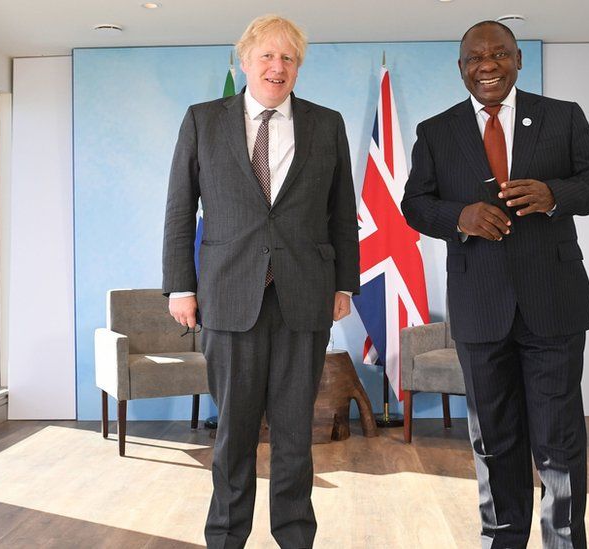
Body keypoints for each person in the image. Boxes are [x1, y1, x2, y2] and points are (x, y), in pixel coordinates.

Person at [401, 20, 589, 549]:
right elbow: (414, 204)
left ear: (518, 60)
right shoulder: (436, 131)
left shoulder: (562, 117)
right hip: (480, 307)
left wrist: (553, 194)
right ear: (461, 68)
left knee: (559, 440)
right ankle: (502, 540)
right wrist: (461, 216)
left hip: (554, 303)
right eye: (476, 57)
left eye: (500, 54)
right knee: (494, 440)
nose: (488, 65)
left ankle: (565, 542)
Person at [161, 14, 359, 549]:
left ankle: (295, 537)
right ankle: (226, 537)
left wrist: (344, 284)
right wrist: (181, 286)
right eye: (267, 56)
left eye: (288, 58)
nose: (277, 67)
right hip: (228, 296)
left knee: (297, 433)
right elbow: (180, 210)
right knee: (234, 434)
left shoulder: (327, 123)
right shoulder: (203, 121)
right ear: (245, 61)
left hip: (305, 296)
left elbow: (343, 211)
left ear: (298, 67)